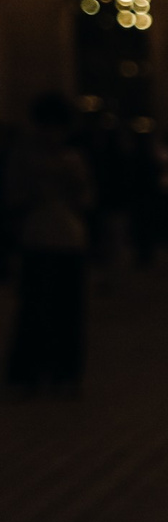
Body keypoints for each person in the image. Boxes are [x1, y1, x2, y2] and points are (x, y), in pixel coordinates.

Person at [6, 92, 94, 391]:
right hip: (38, 237)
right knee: (35, 309)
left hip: (68, 238)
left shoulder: (74, 159)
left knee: (67, 310)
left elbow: (86, 199)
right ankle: (30, 372)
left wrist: (72, 181)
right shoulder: (24, 157)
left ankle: (64, 372)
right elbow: (14, 197)